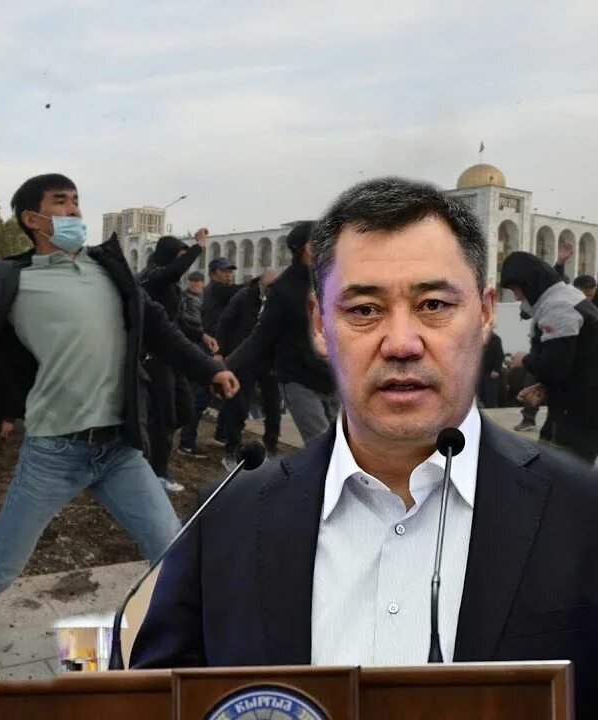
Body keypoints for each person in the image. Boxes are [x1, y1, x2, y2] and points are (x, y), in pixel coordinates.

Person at [131, 176, 598, 719]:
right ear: (320, 325)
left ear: (486, 311)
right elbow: (158, 699)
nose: (401, 343)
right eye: (363, 310)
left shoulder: (580, 515)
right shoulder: (226, 519)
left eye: (433, 304)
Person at [0, 176, 238, 651]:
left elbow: (159, 329)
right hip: (55, 451)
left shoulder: (110, 271)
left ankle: (174, 643)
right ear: (32, 218)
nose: (74, 212)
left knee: (173, 553)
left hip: (118, 449)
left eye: (77, 201)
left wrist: (208, 369)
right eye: (60, 203)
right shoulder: (10, 279)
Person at [227, 222, 339, 443]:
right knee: (322, 447)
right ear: (309, 247)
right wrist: (223, 368)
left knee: (346, 449)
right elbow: (260, 338)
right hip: (299, 380)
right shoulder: (283, 290)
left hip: (332, 380)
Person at [501, 251, 598, 463]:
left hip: (578, 411)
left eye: (516, 289)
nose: (517, 296)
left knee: (562, 474)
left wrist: (524, 360)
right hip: (572, 405)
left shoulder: (559, 306)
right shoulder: (562, 298)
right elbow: (573, 359)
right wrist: (544, 386)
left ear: (529, 284)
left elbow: (556, 364)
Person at [138, 231, 208, 491]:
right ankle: (157, 472)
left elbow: (173, 322)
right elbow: (173, 271)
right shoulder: (152, 278)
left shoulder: (169, 286)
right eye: (179, 257)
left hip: (171, 355)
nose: (183, 264)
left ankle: (149, 445)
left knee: (184, 409)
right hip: (154, 358)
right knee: (166, 417)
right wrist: (197, 247)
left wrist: (201, 335)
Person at [215, 269, 283, 465]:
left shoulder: (280, 302)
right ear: (261, 283)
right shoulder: (244, 297)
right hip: (244, 358)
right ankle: (231, 452)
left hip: (270, 361)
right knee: (239, 406)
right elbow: (225, 323)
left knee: (273, 406)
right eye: (270, 287)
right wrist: (220, 352)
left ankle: (271, 449)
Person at [175, 270, 215, 459]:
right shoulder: (184, 299)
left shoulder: (207, 297)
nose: (195, 285)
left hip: (203, 343)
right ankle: (186, 442)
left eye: (197, 282)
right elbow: (184, 320)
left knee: (198, 393)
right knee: (195, 393)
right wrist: (201, 330)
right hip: (192, 344)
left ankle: (187, 439)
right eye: (192, 282)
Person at [479, 330, 504, 409]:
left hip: (491, 373)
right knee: (481, 395)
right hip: (481, 372)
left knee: (490, 396)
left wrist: (496, 369)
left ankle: (491, 411)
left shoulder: (495, 339)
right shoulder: (480, 339)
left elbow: (500, 355)